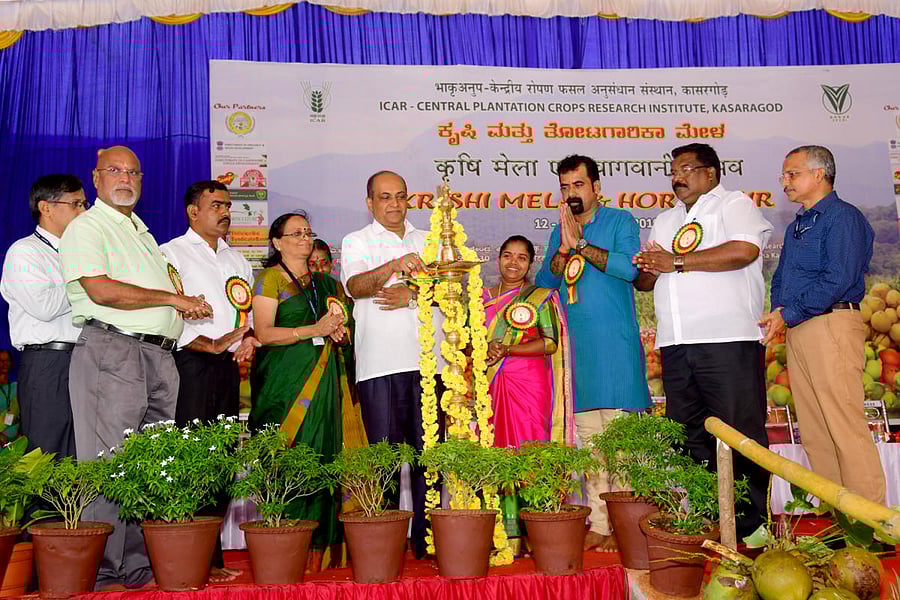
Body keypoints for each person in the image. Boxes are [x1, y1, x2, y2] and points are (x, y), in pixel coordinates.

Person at [59, 146, 212, 590]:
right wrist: (172, 300)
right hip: (114, 350)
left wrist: (182, 309)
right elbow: (101, 291)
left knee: (148, 465)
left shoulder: (142, 232)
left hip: (158, 355)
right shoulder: (86, 227)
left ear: (142, 181)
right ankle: (105, 573)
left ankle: (138, 567)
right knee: (111, 464)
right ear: (96, 178)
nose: (125, 178)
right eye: (114, 171)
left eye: (133, 172)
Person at [633, 143, 773, 537]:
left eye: (687, 169)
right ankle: (710, 519)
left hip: (727, 339)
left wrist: (675, 262)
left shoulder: (733, 204)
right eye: (673, 171)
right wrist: (646, 268)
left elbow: (745, 249)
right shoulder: (664, 220)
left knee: (739, 434)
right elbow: (647, 282)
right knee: (689, 434)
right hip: (676, 344)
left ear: (710, 173)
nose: (677, 177)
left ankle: (750, 529)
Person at [535, 154, 649, 552]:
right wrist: (564, 249)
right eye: (564, 187)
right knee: (592, 445)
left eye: (578, 186)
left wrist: (582, 244)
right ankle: (600, 524)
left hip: (614, 348)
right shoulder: (559, 230)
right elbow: (545, 280)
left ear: (596, 187)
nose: (571, 194)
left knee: (621, 444)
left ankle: (626, 525)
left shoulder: (621, 222)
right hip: (578, 352)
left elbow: (630, 269)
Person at [760, 145, 885, 505]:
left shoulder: (842, 217)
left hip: (831, 323)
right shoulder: (800, 221)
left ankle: (871, 524)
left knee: (844, 427)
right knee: (815, 431)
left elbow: (838, 277)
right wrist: (778, 311)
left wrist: (788, 312)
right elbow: (782, 277)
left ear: (819, 174)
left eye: (792, 174)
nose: (785, 182)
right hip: (801, 327)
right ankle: (839, 518)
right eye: (784, 175)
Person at [250, 211, 365, 569]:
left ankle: (324, 550)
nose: (304, 238)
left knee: (327, 454)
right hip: (285, 382)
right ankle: (285, 547)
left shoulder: (326, 284)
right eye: (295, 233)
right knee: (290, 457)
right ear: (277, 242)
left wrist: (338, 333)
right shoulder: (269, 279)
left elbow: (344, 331)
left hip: (326, 380)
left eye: (307, 232)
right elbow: (265, 334)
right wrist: (313, 329)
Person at [340, 170, 444, 559]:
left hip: (430, 364)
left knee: (428, 459)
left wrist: (413, 293)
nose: (395, 204)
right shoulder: (357, 241)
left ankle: (427, 543)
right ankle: (382, 545)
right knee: (383, 459)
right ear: (370, 203)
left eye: (401, 196)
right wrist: (396, 264)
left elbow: (454, 290)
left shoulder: (430, 240)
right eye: (385, 197)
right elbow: (357, 287)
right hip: (379, 365)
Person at [159, 180, 260, 579]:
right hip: (189, 363)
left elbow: (243, 316)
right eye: (216, 204)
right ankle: (189, 553)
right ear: (192, 211)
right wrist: (211, 344)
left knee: (222, 459)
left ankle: (212, 557)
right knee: (192, 457)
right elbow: (169, 314)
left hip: (226, 367)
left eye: (228, 205)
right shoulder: (171, 252)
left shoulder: (239, 261)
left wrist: (246, 340)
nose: (225, 211)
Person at [0, 174, 86, 456]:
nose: (83, 212)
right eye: (75, 204)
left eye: (84, 203)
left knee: (84, 452)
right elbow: (44, 307)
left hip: (87, 359)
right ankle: (44, 504)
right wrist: (88, 282)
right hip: (48, 362)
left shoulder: (83, 254)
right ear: (45, 207)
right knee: (48, 453)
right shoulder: (25, 252)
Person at [483, 235, 574, 448]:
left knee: (531, 445)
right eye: (508, 256)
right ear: (498, 259)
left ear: (530, 265)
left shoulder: (540, 297)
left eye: (521, 258)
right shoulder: (481, 298)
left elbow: (550, 342)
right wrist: (484, 347)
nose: (513, 263)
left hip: (530, 384)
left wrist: (508, 349)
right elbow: (468, 339)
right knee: (494, 444)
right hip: (491, 381)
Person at [0, 351, 18, 445]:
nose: (5, 364)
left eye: (7, 360)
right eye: (1, 361)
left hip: (15, 440)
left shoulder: (17, 386)